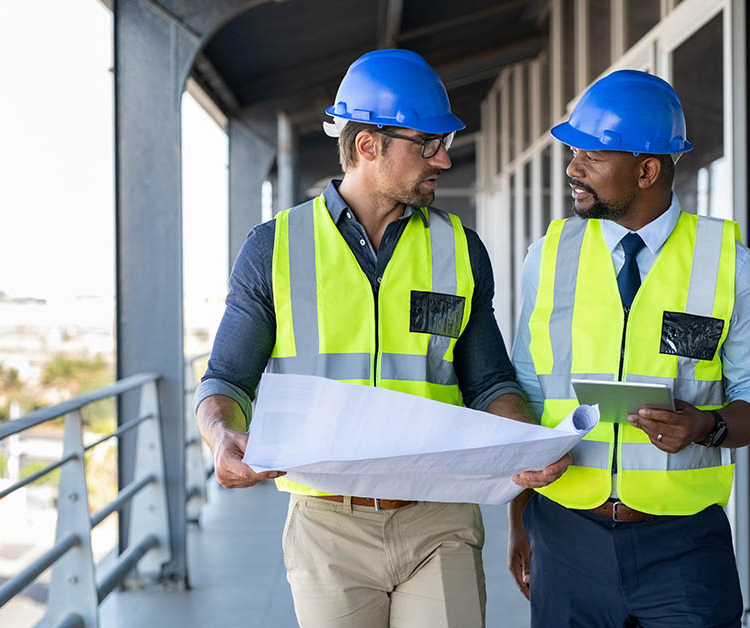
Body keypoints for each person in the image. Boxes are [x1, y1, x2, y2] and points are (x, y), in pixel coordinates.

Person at [194, 48, 569, 628]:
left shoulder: (460, 249)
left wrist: (522, 444)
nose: (444, 160)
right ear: (368, 146)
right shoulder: (275, 248)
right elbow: (225, 380)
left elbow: (490, 381)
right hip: (327, 528)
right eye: (428, 145)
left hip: (439, 519)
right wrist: (221, 437)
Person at [507, 69, 750, 627]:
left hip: (683, 547)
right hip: (564, 535)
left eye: (592, 155)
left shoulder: (728, 263)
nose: (572, 168)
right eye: (573, 151)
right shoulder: (548, 255)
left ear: (647, 169)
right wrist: (521, 522)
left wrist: (705, 426)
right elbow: (528, 391)